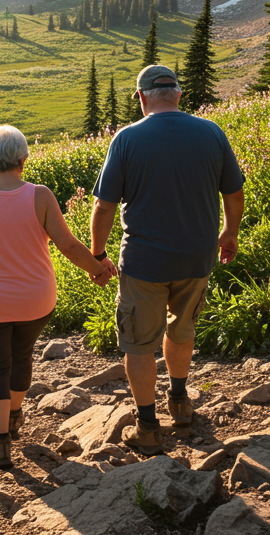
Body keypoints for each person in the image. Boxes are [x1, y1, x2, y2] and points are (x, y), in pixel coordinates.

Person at [89, 65, 245, 455]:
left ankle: (147, 426)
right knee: (182, 328)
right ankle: (180, 401)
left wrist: (98, 254)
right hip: (198, 257)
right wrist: (229, 233)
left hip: (145, 263)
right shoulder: (211, 132)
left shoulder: (127, 139)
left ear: (142, 98)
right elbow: (234, 192)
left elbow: (104, 206)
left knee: (139, 344)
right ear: (177, 94)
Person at [0, 125, 111, 469]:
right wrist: (97, 268)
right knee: (22, 356)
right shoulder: (41, 196)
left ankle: (0, 444)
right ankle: (14, 415)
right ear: (23, 159)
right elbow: (69, 245)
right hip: (35, 301)